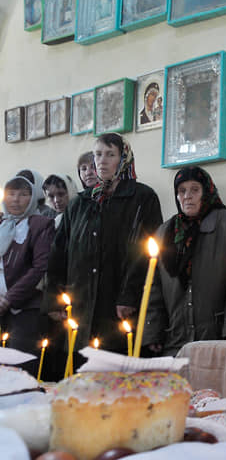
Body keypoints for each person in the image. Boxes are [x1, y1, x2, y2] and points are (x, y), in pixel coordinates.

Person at [46, 133, 162, 355]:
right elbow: (59, 253)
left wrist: (129, 295)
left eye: (110, 154)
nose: (102, 161)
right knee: (81, 373)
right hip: (82, 303)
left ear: (124, 158)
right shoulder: (80, 203)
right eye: (98, 154)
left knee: (116, 373)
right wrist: (54, 299)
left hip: (120, 304)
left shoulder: (142, 198)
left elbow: (147, 253)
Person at [142, 167, 226, 356]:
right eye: (182, 191)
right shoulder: (165, 232)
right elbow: (154, 286)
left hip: (220, 339)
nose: (187, 196)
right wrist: (153, 332)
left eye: (194, 189)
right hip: (176, 341)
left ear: (206, 192)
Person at [0, 176, 55, 376]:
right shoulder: (1, 222)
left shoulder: (41, 224)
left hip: (25, 307)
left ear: (33, 198)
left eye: (23, 194)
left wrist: (8, 299)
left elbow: (40, 267)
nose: (15, 199)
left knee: (20, 367)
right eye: (11, 194)